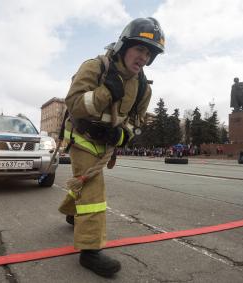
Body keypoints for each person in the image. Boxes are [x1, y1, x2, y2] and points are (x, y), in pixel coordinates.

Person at [58, 17, 165, 277]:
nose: (144, 57)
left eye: (149, 53)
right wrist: (106, 91)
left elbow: (135, 121)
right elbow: (74, 105)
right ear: (124, 45)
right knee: (94, 188)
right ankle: (90, 251)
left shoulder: (143, 88)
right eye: (140, 48)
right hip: (81, 138)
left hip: (105, 144)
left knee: (83, 183)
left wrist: (123, 136)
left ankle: (72, 213)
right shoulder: (96, 67)